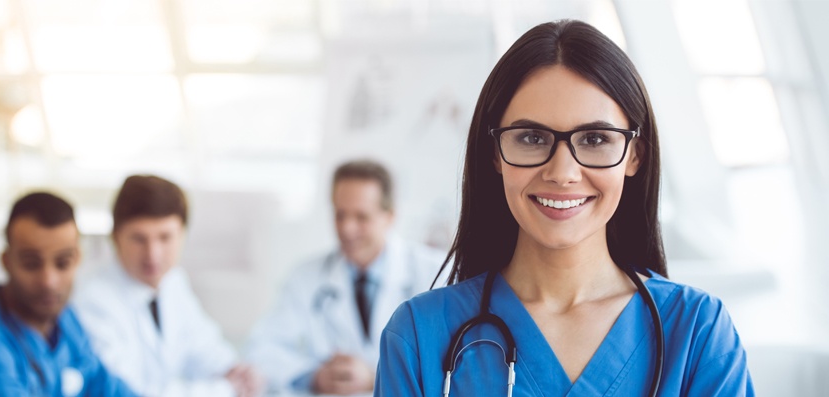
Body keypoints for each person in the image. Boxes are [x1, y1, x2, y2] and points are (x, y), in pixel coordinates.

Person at [374, 20, 754, 396]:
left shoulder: (698, 333)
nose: (562, 173)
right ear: (495, 153)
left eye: (594, 138)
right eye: (532, 137)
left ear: (634, 156)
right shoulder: (418, 336)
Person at [246, 159, 446, 395]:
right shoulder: (306, 277)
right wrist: (315, 376)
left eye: (361, 217)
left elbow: (454, 359)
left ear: (389, 216)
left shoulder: (435, 272)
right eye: (340, 215)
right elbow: (261, 351)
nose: (347, 228)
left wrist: (375, 376)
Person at [0, 192, 137, 396]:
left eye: (63, 263)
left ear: (77, 260)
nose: (48, 281)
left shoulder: (64, 318)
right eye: (31, 264)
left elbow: (104, 384)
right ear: (6, 262)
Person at [72, 175, 263, 397]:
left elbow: (204, 346)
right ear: (115, 237)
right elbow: (128, 392)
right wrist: (224, 389)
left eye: (165, 237)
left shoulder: (173, 281)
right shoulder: (92, 302)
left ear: (183, 235)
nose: (153, 254)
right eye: (139, 239)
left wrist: (235, 372)